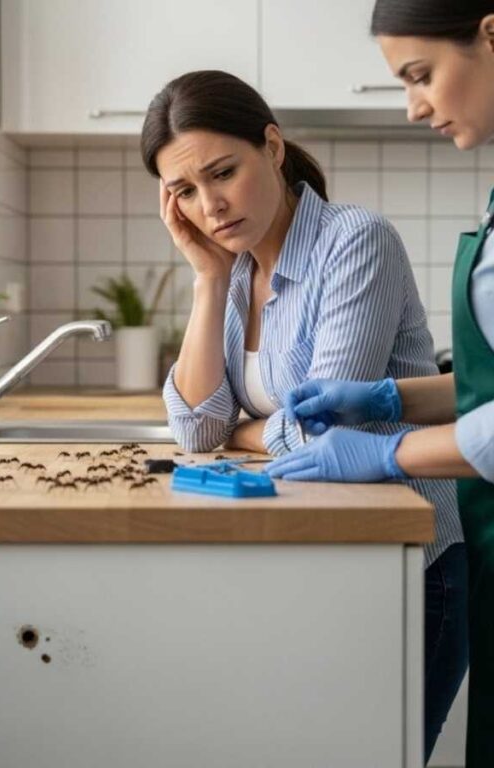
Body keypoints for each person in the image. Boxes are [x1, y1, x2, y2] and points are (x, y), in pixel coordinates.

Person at [143, 69, 466, 760]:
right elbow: (198, 430)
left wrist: (243, 429)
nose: (211, 205)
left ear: (272, 145)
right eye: (186, 193)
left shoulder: (355, 242)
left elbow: (324, 429)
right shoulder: (229, 272)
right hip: (317, 552)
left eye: (223, 173)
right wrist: (203, 278)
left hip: (413, 562)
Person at [270, 3, 494, 763]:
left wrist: (391, 454)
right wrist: (393, 399)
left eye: (423, 75)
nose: (413, 105)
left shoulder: (352, 238)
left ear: (492, 34)